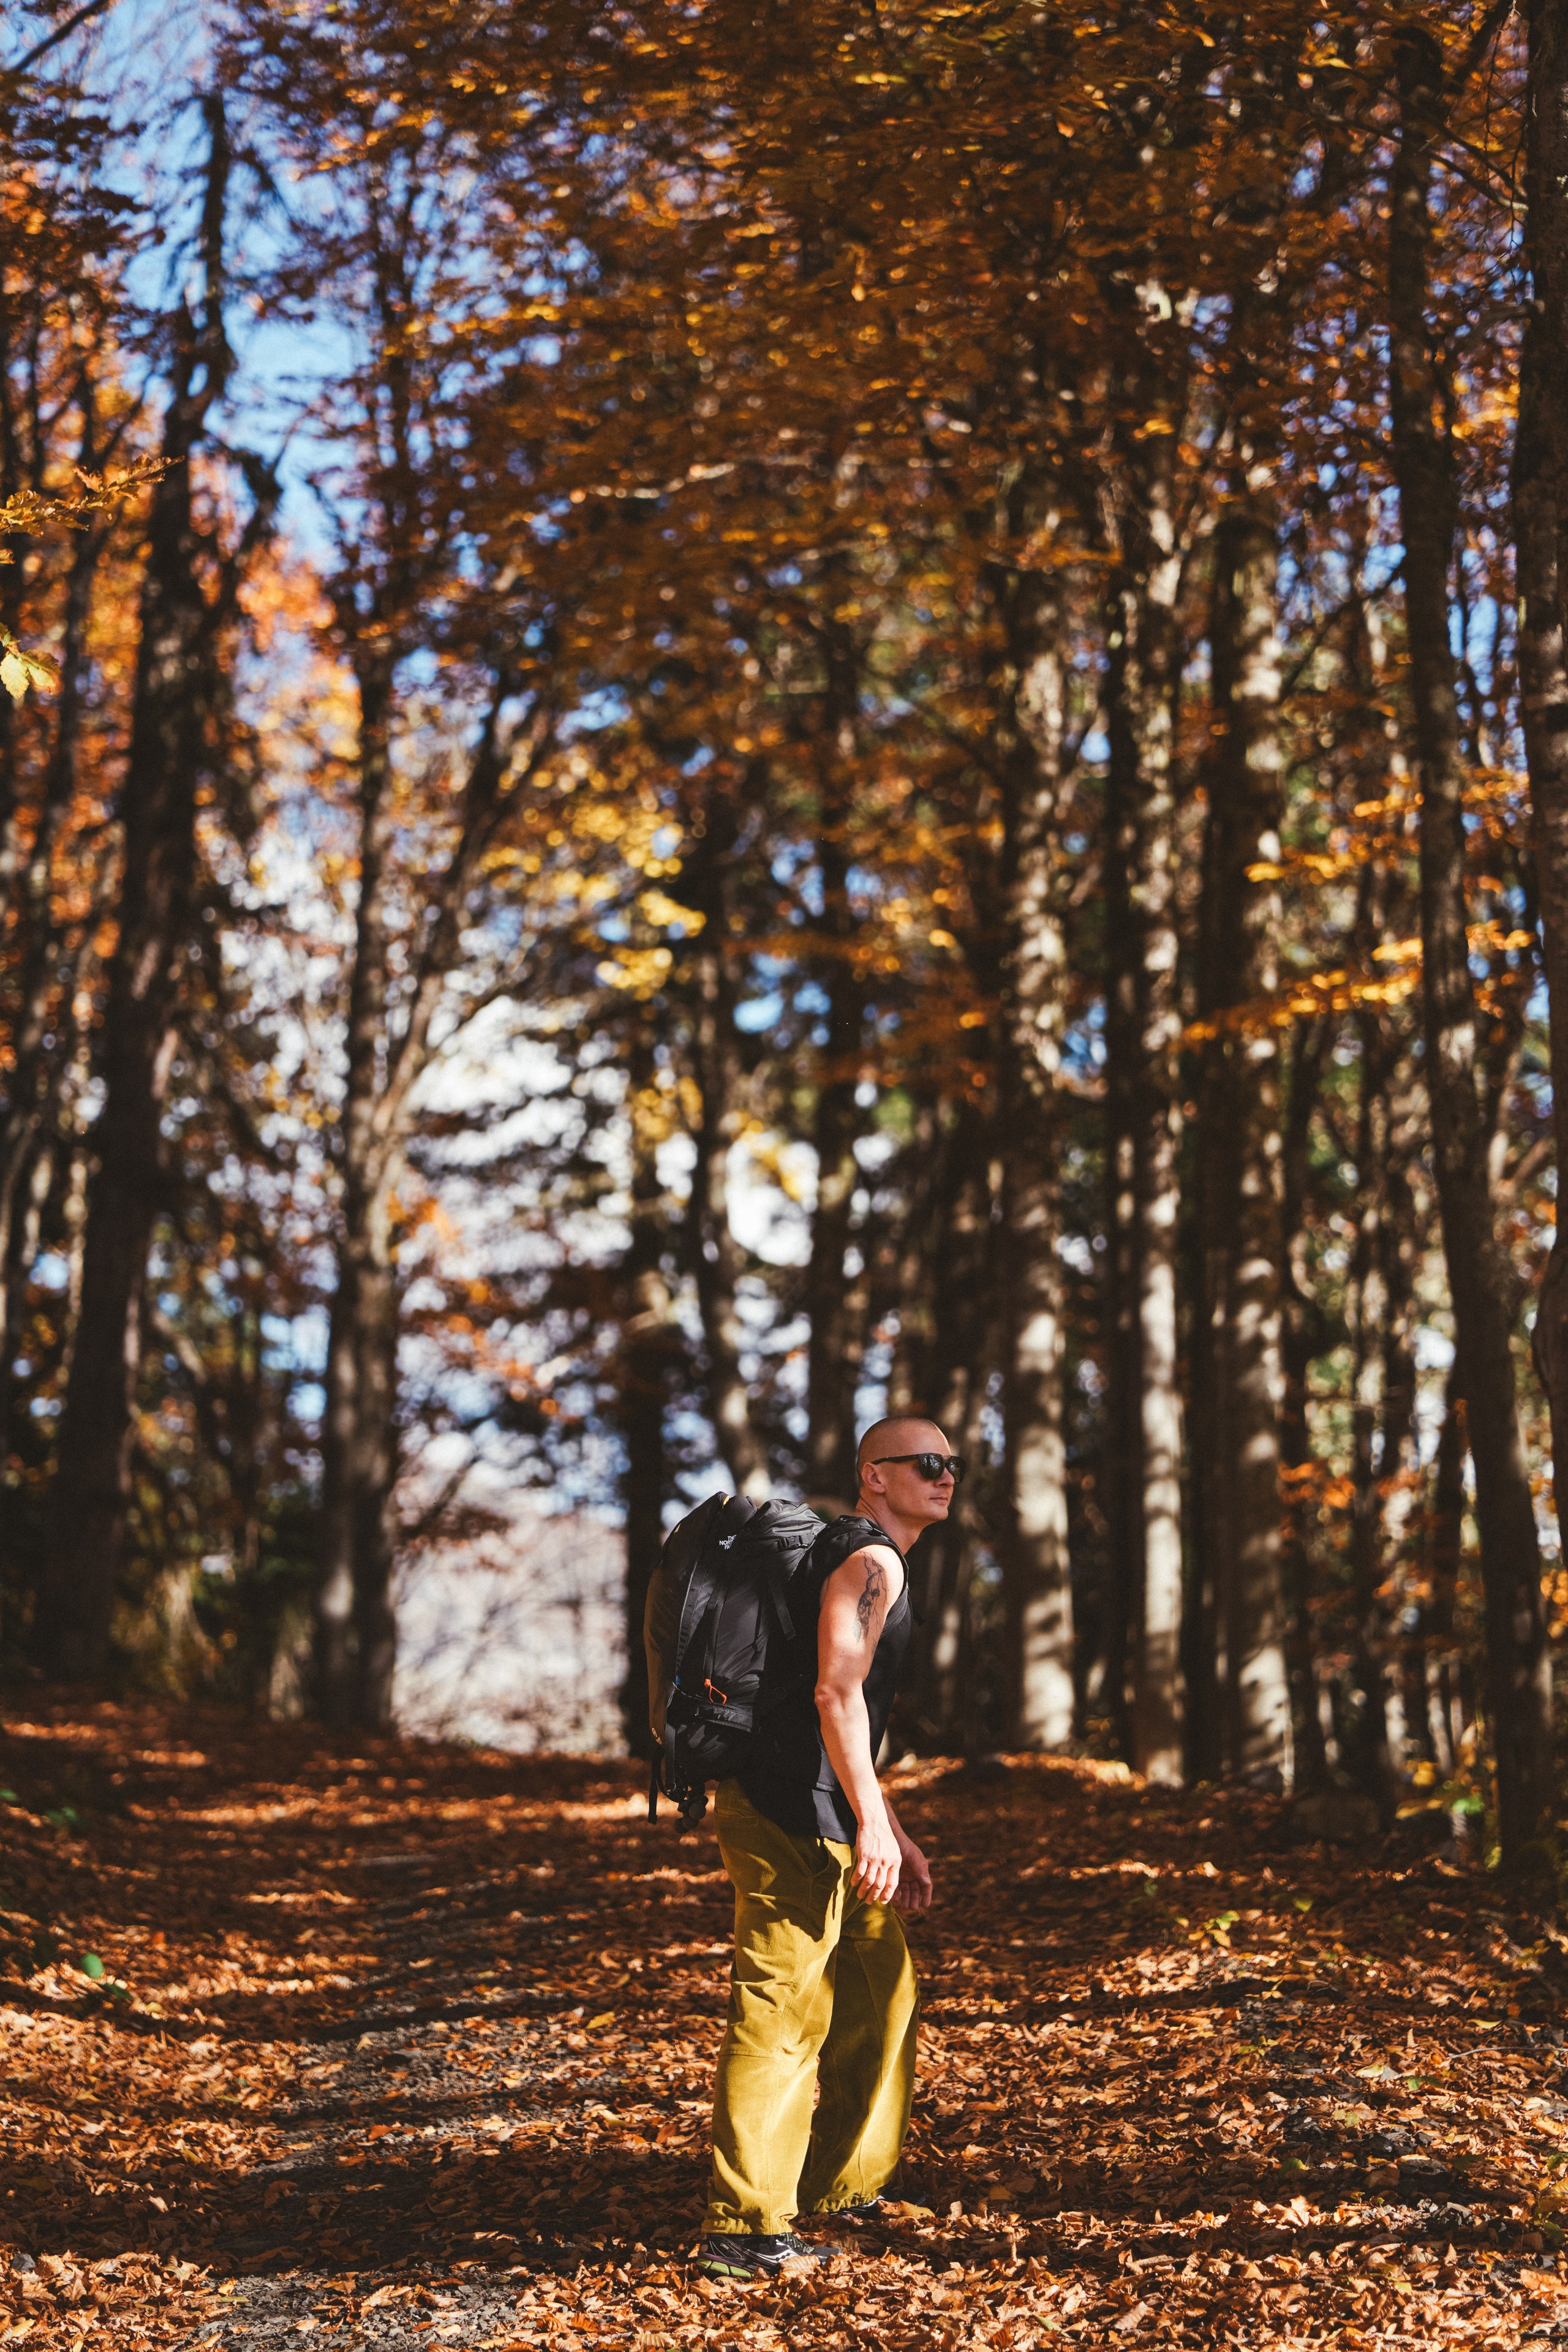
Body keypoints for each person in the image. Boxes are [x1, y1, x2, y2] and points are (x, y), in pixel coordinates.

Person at [696, 1417, 963, 2279]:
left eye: (952, 1464)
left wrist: (885, 1819)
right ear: (874, 1476)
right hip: (787, 1816)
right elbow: (831, 1692)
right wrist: (872, 1820)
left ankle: (845, 2183)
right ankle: (745, 2231)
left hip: (824, 1809)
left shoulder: (870, 1558)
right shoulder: (871, 1559)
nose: (945, 1475)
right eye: (926, 1463)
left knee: (882, 1988)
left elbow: (829, 1709)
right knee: (780, 2014)